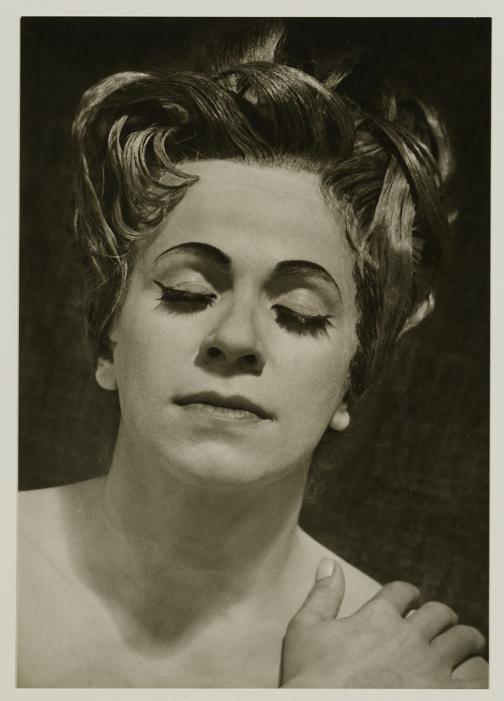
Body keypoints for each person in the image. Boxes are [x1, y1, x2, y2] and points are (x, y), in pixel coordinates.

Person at [17, 25, 488, 688]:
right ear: (106, 339)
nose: (236, 337)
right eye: (188, 292)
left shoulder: (416, 677)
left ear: (352, 378)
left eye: (299, 312)